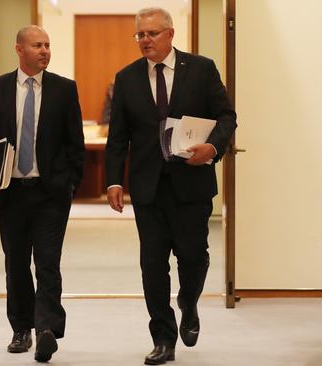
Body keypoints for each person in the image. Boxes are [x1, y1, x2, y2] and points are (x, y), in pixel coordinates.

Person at [105, 7, 237, 365]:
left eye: (151, 34)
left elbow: (227, 117)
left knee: (193, 257)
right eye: (140, 35)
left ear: (170, 34)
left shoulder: (201, 69)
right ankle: (163, 337)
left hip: (192, 183)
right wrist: (114, 180)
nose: (144, 41)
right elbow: (117, 137)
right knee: (152, 263)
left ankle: (189, 303)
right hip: (147, 188)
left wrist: (212, 147)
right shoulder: (127, 78)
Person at [0, 25, 84, 363]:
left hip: (50, 194)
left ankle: (47, 328)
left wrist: (70, 183)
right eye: (37, 45)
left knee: (48, 262)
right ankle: (21, 328)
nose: (45, 50)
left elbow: (74, 143)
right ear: (19, 49)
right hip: (12, 192)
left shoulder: (64, 89)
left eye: (48, 45)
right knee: (16, 263)